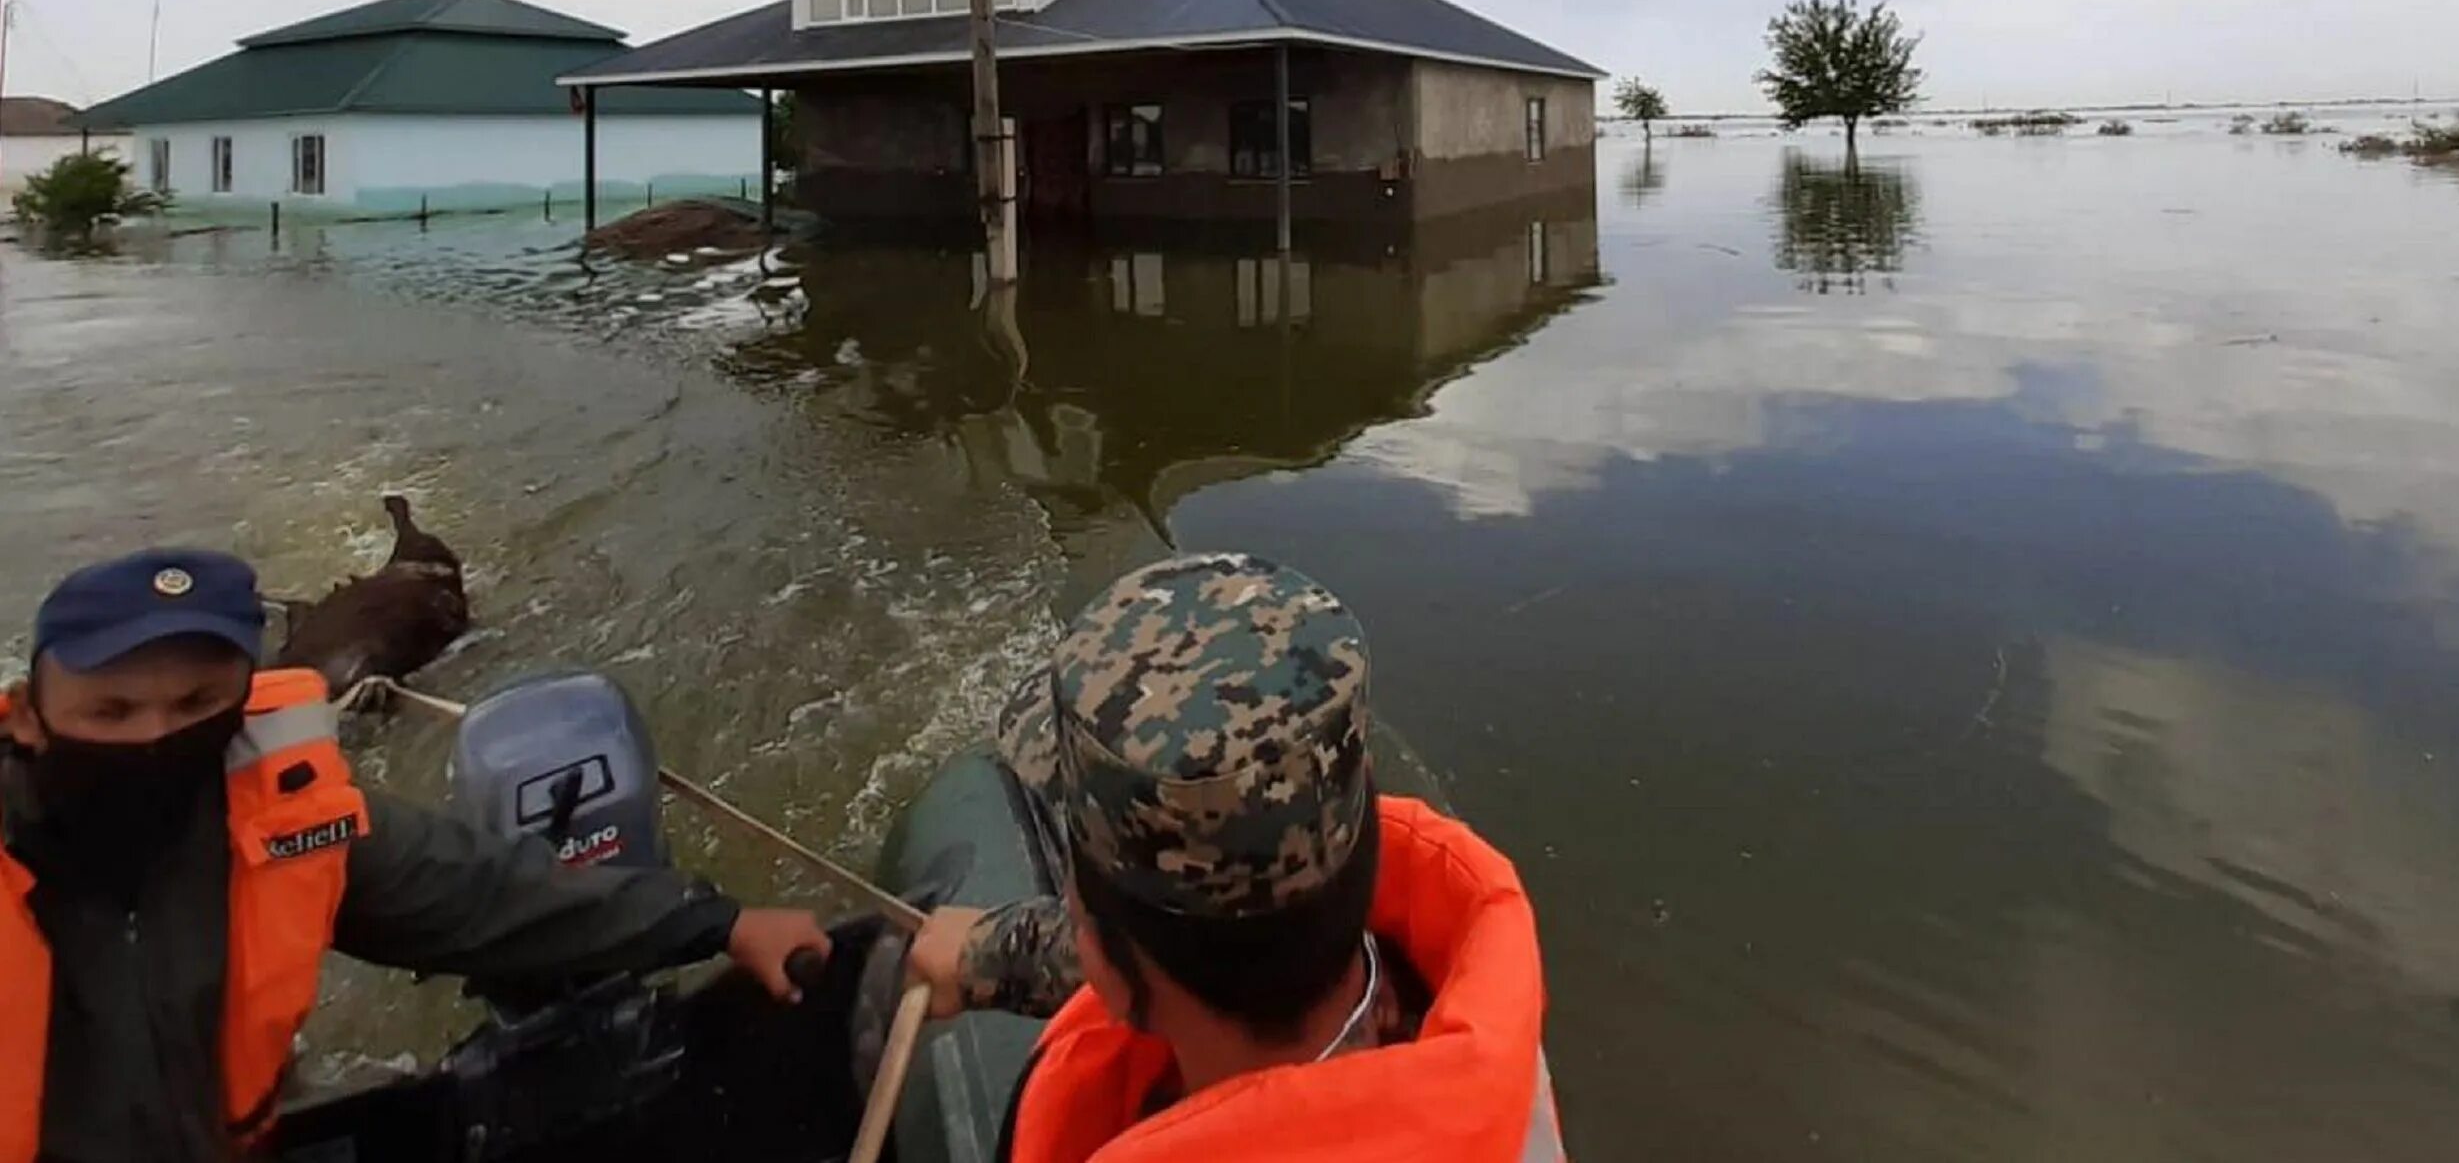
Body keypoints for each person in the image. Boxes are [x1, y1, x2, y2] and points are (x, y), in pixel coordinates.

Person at [1, 547, 832, 1163]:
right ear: (28, 717)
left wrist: (717, 923)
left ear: (241, 709)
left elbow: (483, 892)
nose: (155, 739)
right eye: (110, 713)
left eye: (194, 704)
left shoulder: (283, 821)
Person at [897, 552, 1565, 1162]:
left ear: (1108, 958)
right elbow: (1208, 970)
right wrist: (996, 954)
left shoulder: (1185, 972)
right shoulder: (1476, 1047)